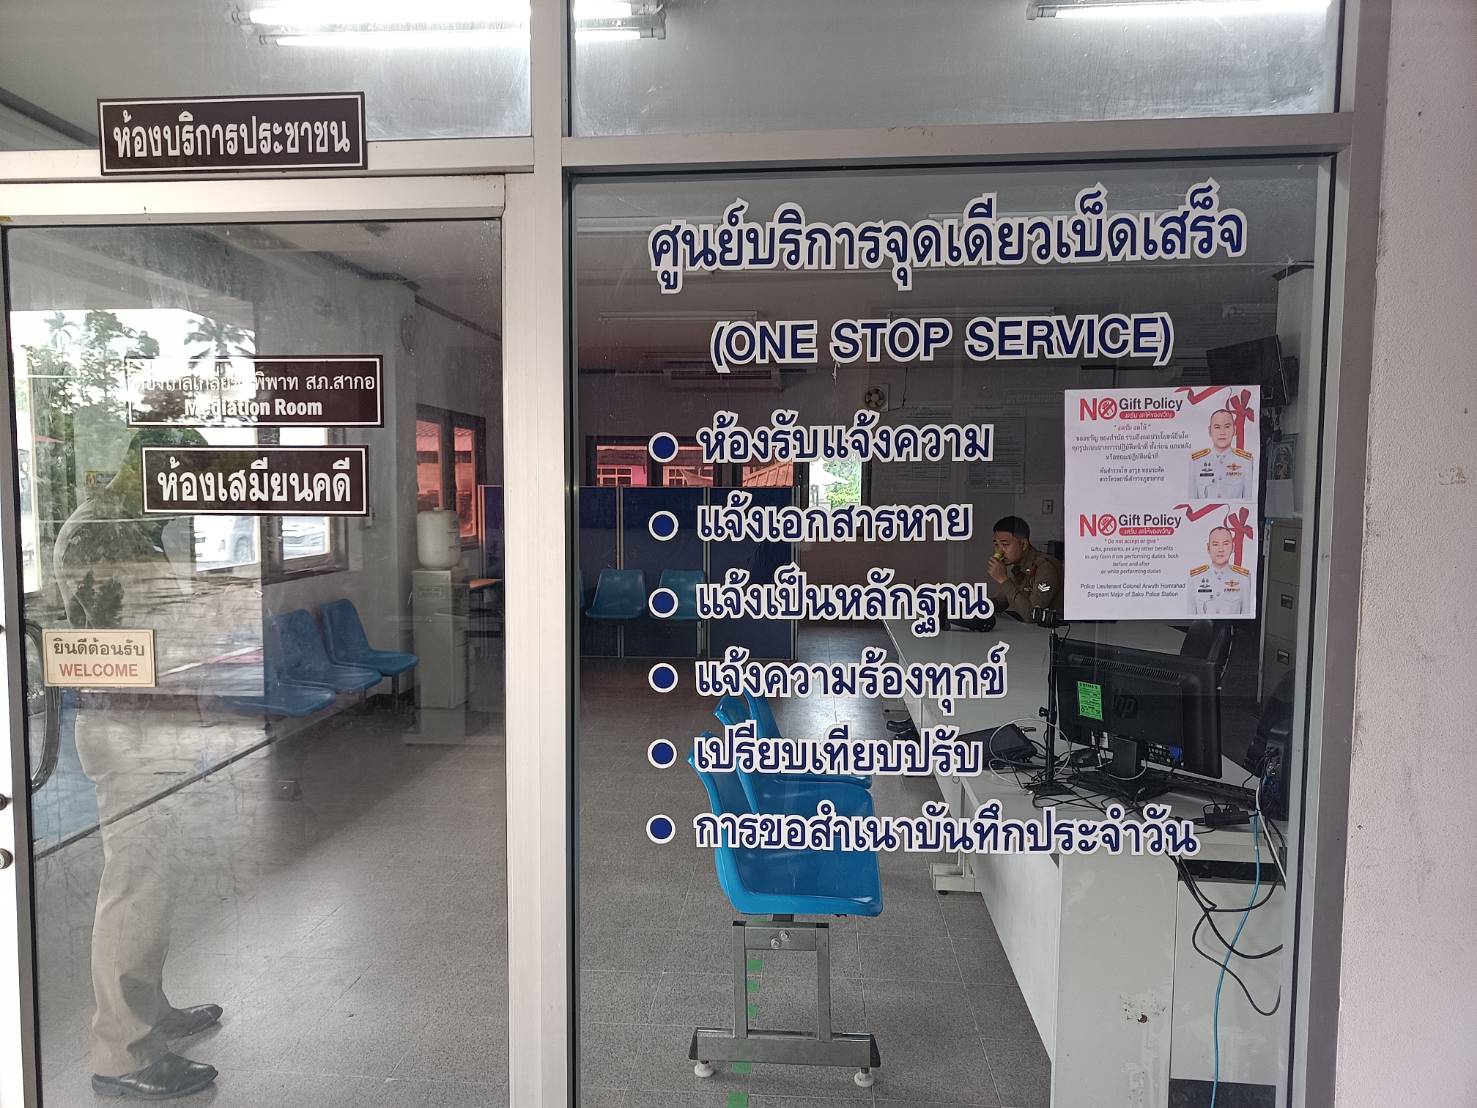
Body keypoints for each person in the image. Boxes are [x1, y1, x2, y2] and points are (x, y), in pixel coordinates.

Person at [53, 428, 223, 1100]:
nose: (191, 496)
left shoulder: (133, 526)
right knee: (136, 884)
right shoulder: (105, 531)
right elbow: (121, 640)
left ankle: (149, 1010)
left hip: (150, 720)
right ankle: (123, 1050)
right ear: (156, 467)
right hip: (130, 726)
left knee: (153, 880)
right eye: (189, 478)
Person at [986, 515, 1063, 622]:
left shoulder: (1045, 568)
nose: (999, 551)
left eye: (1005, 544)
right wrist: (973, 606)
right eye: (996, 545)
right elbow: (1000, 602)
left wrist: (1003, 579)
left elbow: (1032, 615)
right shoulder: (1021, 567)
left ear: (1023, 545)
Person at [1188, 408, 1254, 499]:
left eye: (1227, 426)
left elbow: (1248, 500)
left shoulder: (1245, 461)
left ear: (1234, 430)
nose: (1222, 432)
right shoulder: (1196, 461)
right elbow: (1192, 501)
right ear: (1210, 431)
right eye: (1217, 427)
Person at [1188, 525, 1250, 615]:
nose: (1220, 549)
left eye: (1225, 544)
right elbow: (1191, 616)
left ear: (1233, 547)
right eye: (1215, 544)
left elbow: (1246, 614)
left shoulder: (1243, 578)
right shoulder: (1195, 578)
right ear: (1208, 548)